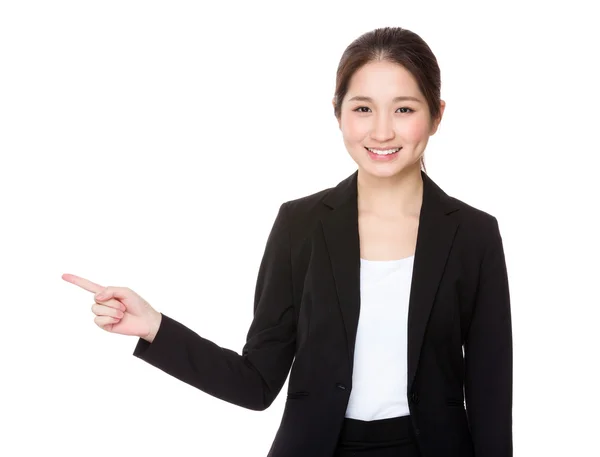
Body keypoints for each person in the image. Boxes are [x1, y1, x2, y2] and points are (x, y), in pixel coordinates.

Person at [63, 26, 512, 457]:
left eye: (403, 109)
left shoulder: (474, 234)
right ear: (337, 111)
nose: (381, 132)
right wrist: (156, 327)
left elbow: (491, 399)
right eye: (362, 108)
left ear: (436, 115)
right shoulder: (300, 225)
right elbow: (256, 382)